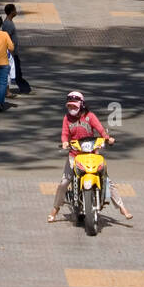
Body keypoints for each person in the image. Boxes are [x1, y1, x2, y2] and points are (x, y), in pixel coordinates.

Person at [47, 91, 132, 222]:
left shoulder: (90, 116)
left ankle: (122, 207)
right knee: (64, 183)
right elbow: (64, 133)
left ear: (81, 105)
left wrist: (108, 139)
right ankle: (55, 209)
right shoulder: (67, 118)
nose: (72, 109)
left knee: (108, 182)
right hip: (74, 156)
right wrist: (64, 142)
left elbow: (101, 129)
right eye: (69, 106)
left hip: (92, 154)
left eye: (74, 106)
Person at [2, 4, 31, 94]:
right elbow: (6, 39)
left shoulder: (9, 22)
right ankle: (25, 88)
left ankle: (25, 88)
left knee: (16, 72)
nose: (16, 11)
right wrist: (10, 53)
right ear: (11, 12)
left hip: (13, 52)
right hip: (11, 53)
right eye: (15, 10)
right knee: (16, 72)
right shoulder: (8, 24)